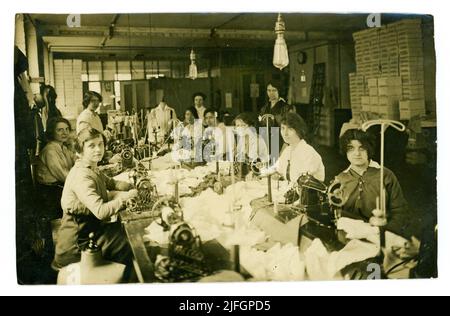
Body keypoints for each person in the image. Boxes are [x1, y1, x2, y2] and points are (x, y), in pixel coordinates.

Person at [54, 127, 138, 269]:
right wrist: (126, 198)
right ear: (80, 150)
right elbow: (100, 211)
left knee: (123, 229)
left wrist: (132, 185)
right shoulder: (81, 175)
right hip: (78, 246)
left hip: (91, 231)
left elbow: (111, 183)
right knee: (133, 240)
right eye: (91, 146)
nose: (98, 149)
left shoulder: (91, 167)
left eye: (100, 144)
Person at [335, 129, 415, 240]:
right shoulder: (340, 179)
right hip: (349, 237)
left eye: (362, 148)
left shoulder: (385, 175)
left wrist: (382, 232)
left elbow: (400, 213)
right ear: (345, 151)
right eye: (351, 148)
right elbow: (336, 214)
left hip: (381, 237)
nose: (357, 153)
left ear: (369, 150)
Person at [262, 113, 325, 185]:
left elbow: (302, 182)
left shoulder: (309, 153)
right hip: (290, 191)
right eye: (283, 128)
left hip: (308, 194)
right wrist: (262, 172)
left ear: (299, 130)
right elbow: (276, 168)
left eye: (290, 129)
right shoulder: (287, 150)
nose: (285, 133)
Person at [36, 117, 76, 219]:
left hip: (60, 188)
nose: (65, 133)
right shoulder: (50, 150)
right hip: (51, 194)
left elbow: (76, 163)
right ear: (51, 132)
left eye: (67, 129)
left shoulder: (63, 147)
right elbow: (63, 176)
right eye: (60, 130)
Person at [259, 81, 296, 156]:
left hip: (279, 141)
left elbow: (291, 128)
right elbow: (261, 125)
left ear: (279, 91)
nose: (271, 93)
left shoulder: (286, 108)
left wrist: (285, 146)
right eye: (269, 90)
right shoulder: (264, 108)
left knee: (278, 164)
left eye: (274, 90)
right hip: (266, 141)